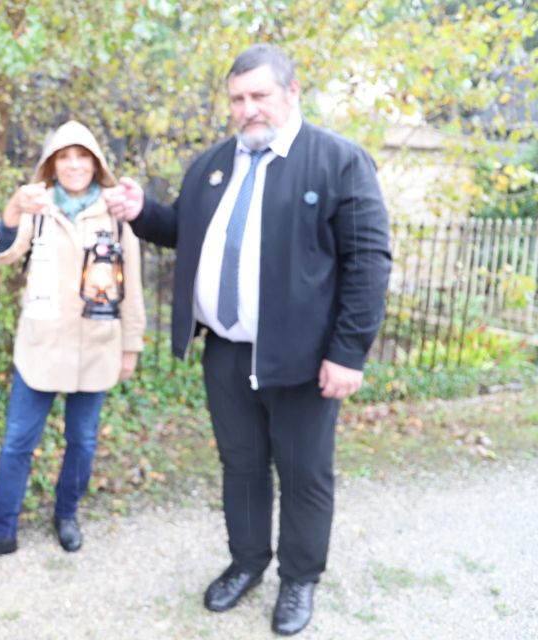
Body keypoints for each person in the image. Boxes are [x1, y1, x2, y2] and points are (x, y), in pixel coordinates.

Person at [104, 44, 391, 635]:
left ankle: (299, 579)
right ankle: (247, 563)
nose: (247, 109)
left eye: (259, 95)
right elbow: (186, 230)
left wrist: (347, 352)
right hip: (227, 351)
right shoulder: (213, 164)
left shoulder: (338, 161)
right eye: (237, 98)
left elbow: (368, 261)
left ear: (291, 93)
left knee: (304, 472)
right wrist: (141, 212)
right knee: (241, 467)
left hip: (304, 359)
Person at [0, 120, 146, 569]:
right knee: (17, 443)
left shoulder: (116, 214)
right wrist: (13, 206)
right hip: (40, 348)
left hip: (96, 346)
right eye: (64, 157)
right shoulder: (38, 209)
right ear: (51, 165)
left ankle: (67, 515)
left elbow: (133, 285)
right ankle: (1, 531)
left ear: (96, 164)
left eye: (82, 157)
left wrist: (130, 346)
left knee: (81, 441)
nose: (74, 165)